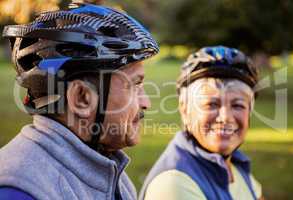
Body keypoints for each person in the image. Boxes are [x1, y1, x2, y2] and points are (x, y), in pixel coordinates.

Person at [0, 2, 159, 200]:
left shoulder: (114, 175)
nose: (146, 103)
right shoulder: (21, 191)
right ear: (82, 98)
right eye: (134, 85)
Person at [139, 46, 264, 200]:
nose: (225, 117)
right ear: (185, 110)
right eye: (211, 104)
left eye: (238, 105)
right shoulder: (174, 184)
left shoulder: (236, 164)